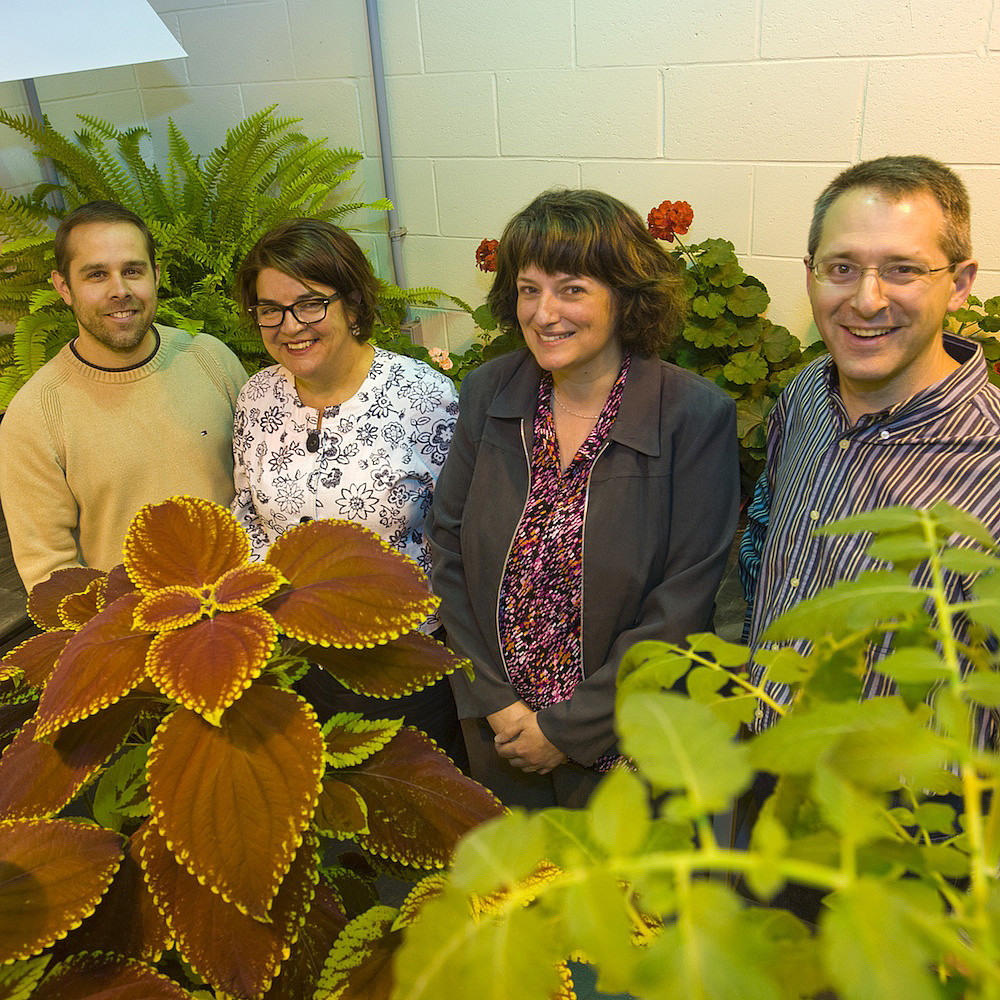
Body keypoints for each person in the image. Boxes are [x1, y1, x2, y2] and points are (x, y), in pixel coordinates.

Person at [426, 189, 740, 808]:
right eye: (528, 288)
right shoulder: (490, 390)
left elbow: (685, 598)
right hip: (501, 734)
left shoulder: (692, 414)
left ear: (624, 296)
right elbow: (447, 547)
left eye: (572, 289)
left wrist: (566, 730)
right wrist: (496, 703)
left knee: (623, 903)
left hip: (626, 747)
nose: (544, 314)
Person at [740, 155, 1000, 743]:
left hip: (908, 814)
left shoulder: (990, 462)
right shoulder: (807, 393)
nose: (866, 300)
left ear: (958, 284)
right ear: (810, 275)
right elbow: (762, 534)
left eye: (903, 269)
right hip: (768, 753)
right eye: (841, 267)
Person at [231, 218, 464, 764]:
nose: (291, 326)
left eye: (311, 304)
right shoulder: (257, 397)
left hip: (398, 661)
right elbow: (245, 515)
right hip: (289, 660)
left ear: (353, 305)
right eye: (270, 309)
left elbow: (459, 534)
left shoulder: (422, 395)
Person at [0, 201, 247, 592]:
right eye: (96, 275)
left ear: (157, 275)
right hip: (133, 633)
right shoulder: (35, 415)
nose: (120, 290)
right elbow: (50, 572)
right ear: (63, 287)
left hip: (246, 605)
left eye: (132, 271)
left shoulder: (211, 360)